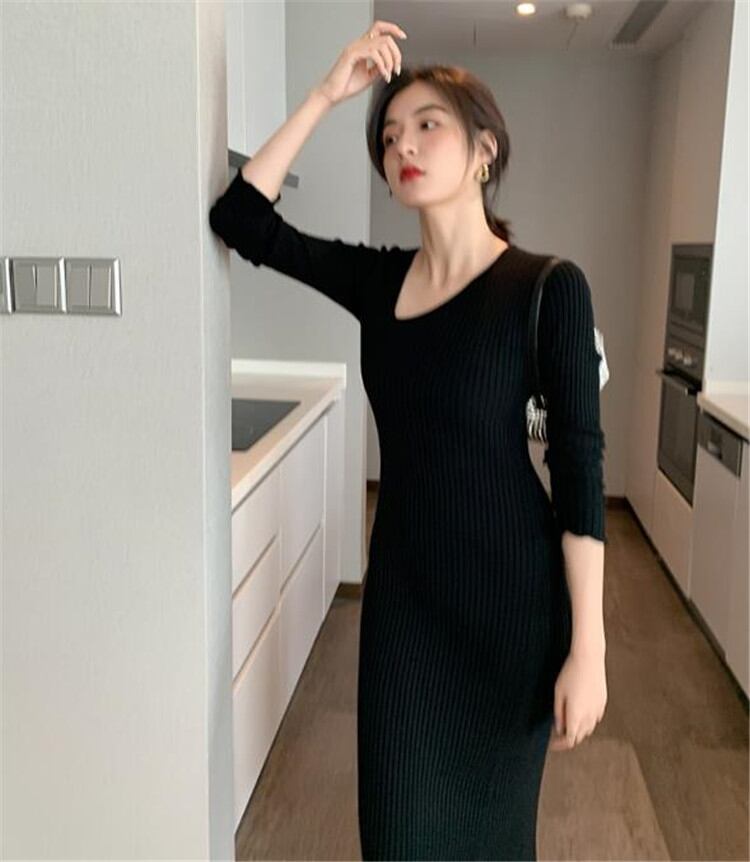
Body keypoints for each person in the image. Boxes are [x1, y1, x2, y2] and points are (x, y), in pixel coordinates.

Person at [209, 19, 608, 861]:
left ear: (485, 150)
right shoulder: (378, 280)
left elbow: (579, 474)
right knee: (394, 837)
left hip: (510, 604)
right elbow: (241, 218)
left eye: (429, 125)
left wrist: (590, 646)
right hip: (405, 604)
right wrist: (328, 93)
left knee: (494, 840)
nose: (404, 147)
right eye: (389, 137)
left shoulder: (547, 288)